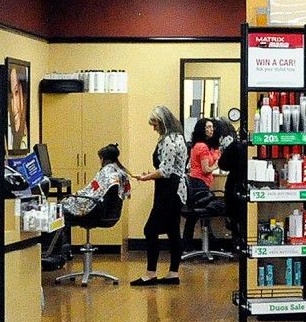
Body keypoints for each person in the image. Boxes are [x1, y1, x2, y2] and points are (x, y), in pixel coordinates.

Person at [131, 105, 188, 286]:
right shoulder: (178, 137)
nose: (153, 128)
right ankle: (173, 273)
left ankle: (151, 273)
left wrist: (146, 177)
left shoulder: (169, 141)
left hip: (169, 191)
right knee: (172, 230)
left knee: (150, 230)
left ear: (163, 123)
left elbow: (165, 171)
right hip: (175, 190)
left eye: (155, 124)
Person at [61, 143, 132, 219]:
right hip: (111, 214)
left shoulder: (106, 173)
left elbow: (93, 194)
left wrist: (72, 196)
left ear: (103, 159)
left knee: (59, 209)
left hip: (95, 211)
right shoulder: (120, 172)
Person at [183, 117, 222, 248]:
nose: (211, 130)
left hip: (196, 183)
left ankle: (187, 245)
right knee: (212, 209)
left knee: (193, 217)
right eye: (208, 127)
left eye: (212, 127)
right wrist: (216, 166)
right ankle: (212, 244)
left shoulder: (198, 146)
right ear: (202, 130)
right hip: (200, 184)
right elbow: (206, 169)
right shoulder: (202, 147)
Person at [7, 62, 28, 153]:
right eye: (11, 96)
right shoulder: (8, 134)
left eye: (16, 92)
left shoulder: (25, 136)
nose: (14, 104)